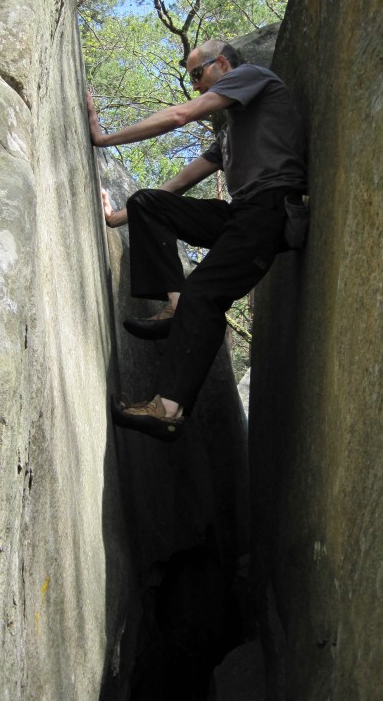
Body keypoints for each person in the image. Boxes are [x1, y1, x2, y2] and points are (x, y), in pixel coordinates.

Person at [87, 39, 307, 442]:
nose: (195, 87)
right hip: (241, 215)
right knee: (149, 203)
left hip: (269, 212)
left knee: (204, 294)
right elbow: (182, 182)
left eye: (196, 74)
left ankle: (168, 410)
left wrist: (103, 138)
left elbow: (179, 117)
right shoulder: (230, 132)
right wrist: (118, 216)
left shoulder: (252, 77)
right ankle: (175, 308)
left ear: (221, 64)